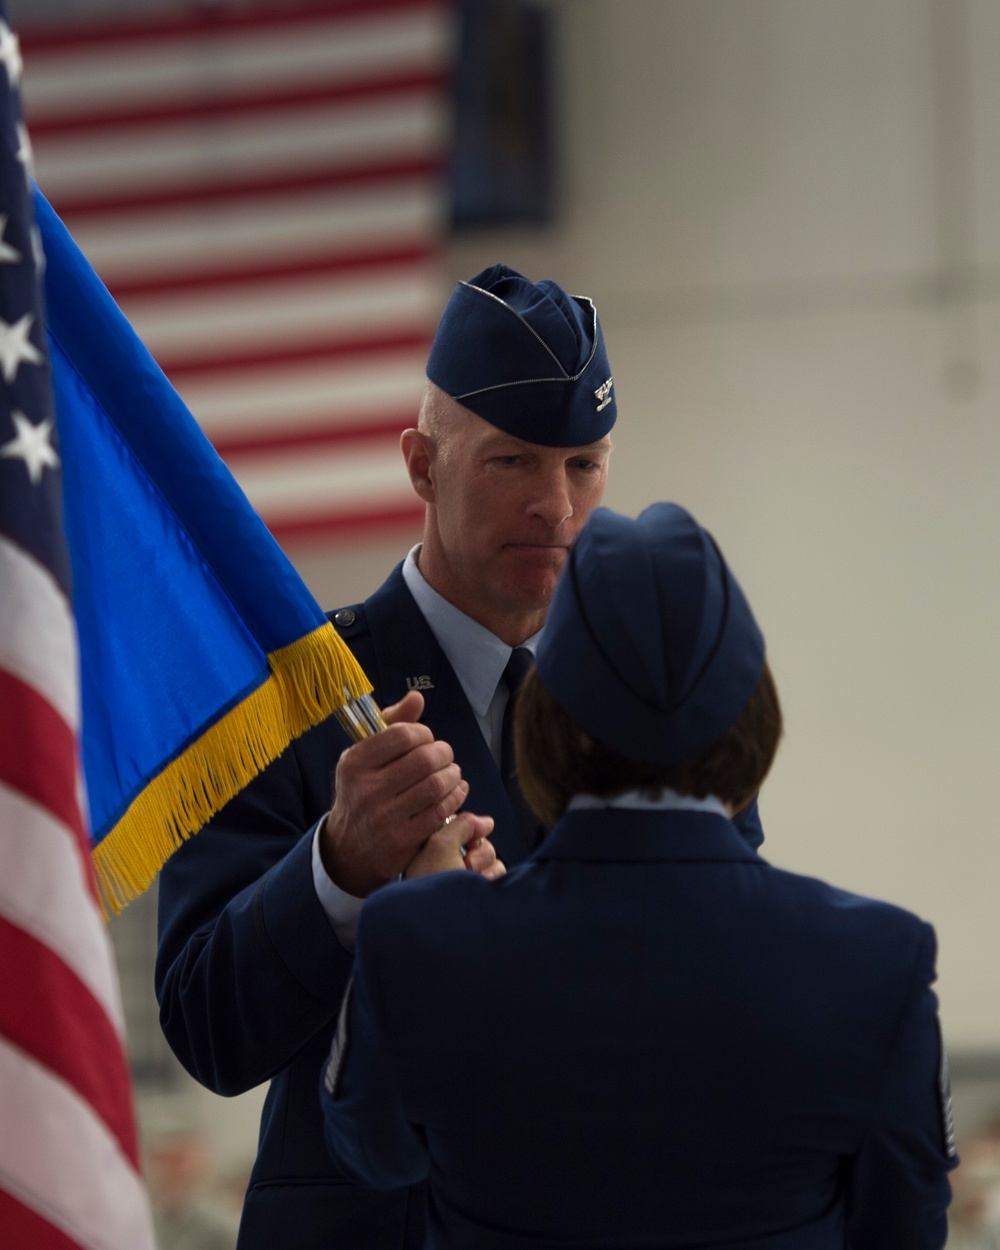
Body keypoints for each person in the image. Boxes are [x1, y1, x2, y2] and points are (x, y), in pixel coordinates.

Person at [158, 265, 771, 1250]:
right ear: (419, 462)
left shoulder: (660, 686)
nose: (555, 505)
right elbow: (205, 1029)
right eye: (511, 462)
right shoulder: (293, 693)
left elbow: (743, 970)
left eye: (584, 464)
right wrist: (338, 866)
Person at [321, 501, 958, 1249]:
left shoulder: (420, 939)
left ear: (545, 718)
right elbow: (905, 1231)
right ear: (753, 712)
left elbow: (372, 1152)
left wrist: (435, 906)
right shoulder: (878, 963)